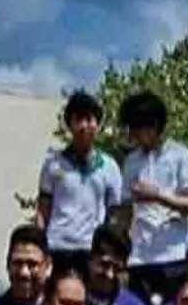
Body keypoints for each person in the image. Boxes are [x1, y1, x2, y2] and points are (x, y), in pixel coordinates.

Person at [119, 90, 188, 305]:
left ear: (155, 125)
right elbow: (126, 209)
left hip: (173, 255)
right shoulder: (131, 161)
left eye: (138, 128)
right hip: (139, 257)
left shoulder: (180, 155)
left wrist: (158, 196)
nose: (134, 135)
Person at [37, 91, 125, 275]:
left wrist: (110, 251)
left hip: (91, 250)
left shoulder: (109, 167)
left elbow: (115, 215)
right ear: (69, 125)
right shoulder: (53, 163)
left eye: (89, 119)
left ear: (98, 125)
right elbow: (43, 210)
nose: (84, 126)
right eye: (78, 119)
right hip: (56, 246)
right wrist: (39, 245)